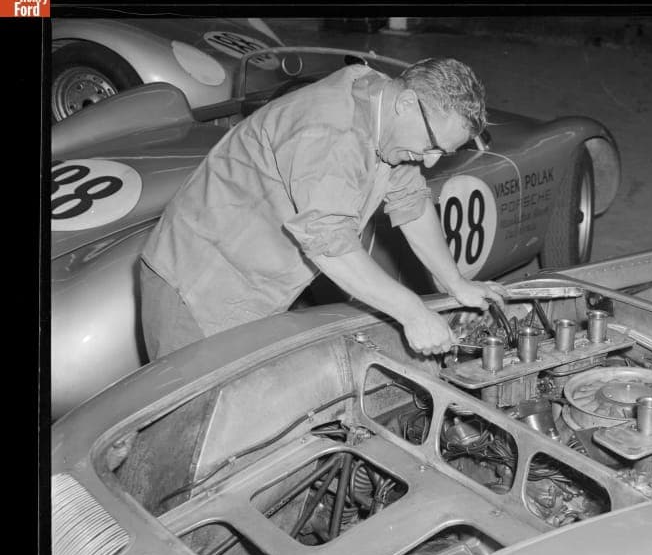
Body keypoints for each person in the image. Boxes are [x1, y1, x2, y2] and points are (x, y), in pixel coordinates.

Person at [138, 56, 505, 360]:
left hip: (255, 283)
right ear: (407, 103)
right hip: (198, 288)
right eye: (432, 145)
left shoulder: (383, 108)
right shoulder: (331, 132)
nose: (429, 161)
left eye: (442, 153)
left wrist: (456, 283)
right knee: (196, 419)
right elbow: (331, 244)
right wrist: (413, 313)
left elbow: (411, 200)